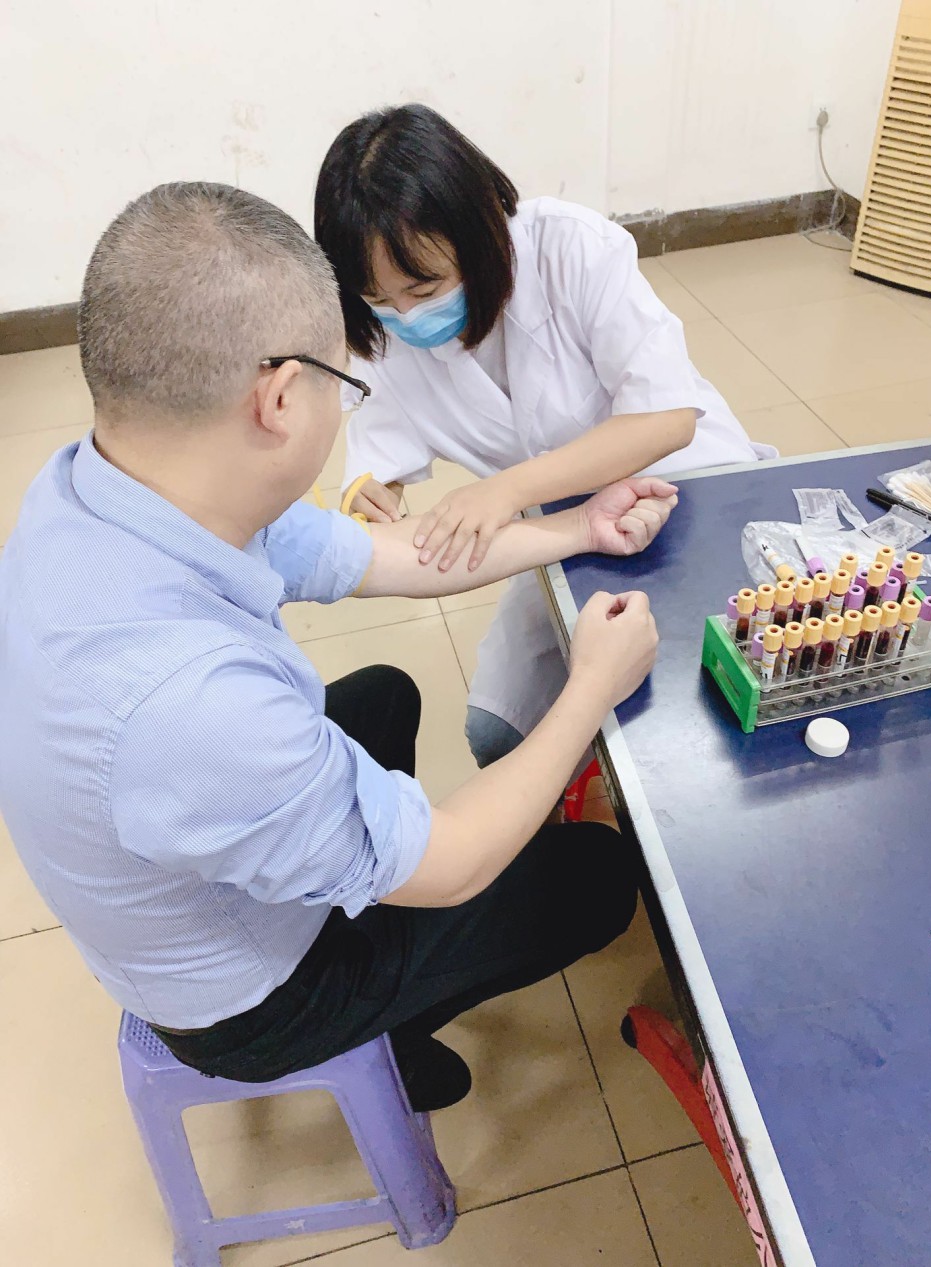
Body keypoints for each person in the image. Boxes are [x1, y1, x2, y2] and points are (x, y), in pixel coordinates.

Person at [0, 182, 666, 1112]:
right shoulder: (191, 707)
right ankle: (385, 1028)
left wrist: (579, 529)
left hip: (179, 840)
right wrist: (590, 686)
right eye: (340, 385)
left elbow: (387, 554)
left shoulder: (110, 484)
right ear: (279, 397)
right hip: (249, 996)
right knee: (593, 875)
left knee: (386, 692)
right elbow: (457, 861)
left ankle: (368, 903)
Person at [314, 104, 774, 768]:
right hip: (567, 529)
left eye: (424, 287)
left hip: (679, 489)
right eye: (382, 300)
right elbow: (378, 442)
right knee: (496, 730)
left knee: (703, 709)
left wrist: (508, 490)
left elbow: (669, 417)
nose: (407, 315)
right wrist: (368, 487)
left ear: (479, 236)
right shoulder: (385, 330)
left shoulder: (572, 250)